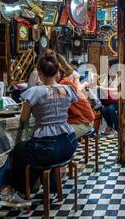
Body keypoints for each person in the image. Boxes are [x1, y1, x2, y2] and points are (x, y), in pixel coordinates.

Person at [11, 50, 79, 194]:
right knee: (40, 152)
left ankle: (22, 190)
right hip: (69, 144)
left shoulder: (35, 91)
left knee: (18, 149)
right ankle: (52, 186)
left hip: (46, 148)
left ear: (39, 74)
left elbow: (24, 119)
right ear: (58, 73)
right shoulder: (66, 90)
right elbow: (53, 94)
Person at [57, 55, 95, 138]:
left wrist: (84, 84)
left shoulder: (65, 81)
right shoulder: (64, 79)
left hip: (82, 120)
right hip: (77, 116)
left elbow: (76, 91)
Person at [97, 59, 119, 136]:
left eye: (109, 66)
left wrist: (106, 89)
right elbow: (102, 86)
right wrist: (97, 81)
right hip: (109, 100)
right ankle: (110, 127)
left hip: (118, 101)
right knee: (103, 109)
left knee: (111, 109)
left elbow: (119, 89)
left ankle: (117, 129)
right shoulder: (108, 76)